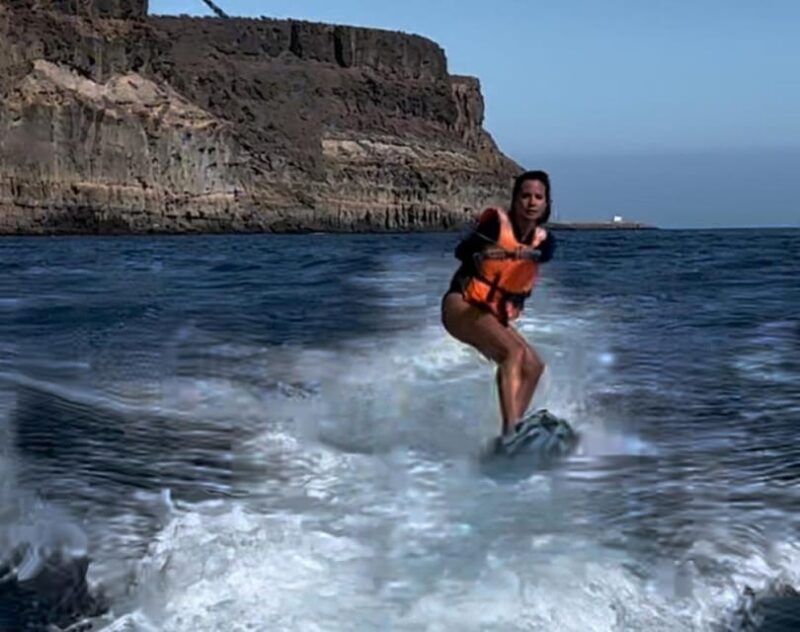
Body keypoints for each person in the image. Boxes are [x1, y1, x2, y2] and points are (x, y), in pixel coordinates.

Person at [441, 170, 556, 440]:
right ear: (515, 201)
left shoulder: (545, 241)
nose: (531, 202)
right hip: (461, 305)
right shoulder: (494, 225)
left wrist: (526, 253)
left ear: (546, 204)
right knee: (513, 352)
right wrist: (483, 251)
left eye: (538, 197)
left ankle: (514, 428)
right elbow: (462, 251)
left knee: (534, 366)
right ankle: (510, 432)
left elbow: (545, 253)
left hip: (489, 314)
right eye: (525, 196)